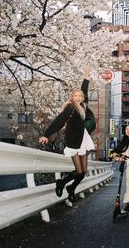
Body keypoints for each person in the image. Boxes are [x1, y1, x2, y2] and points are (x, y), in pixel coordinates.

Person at [39, 66, 94, 203]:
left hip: (83, 139)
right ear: (72, 97)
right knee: (79, 171)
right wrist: (47, 134)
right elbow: (59, 121)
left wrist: (86, 76)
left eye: (80, 96)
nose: (78, 97)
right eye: (75, 96)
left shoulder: (83, 106)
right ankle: (62, 183)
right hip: (73, 139)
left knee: (83, 172)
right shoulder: (70, 107)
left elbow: (85, 89)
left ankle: (70, 188)